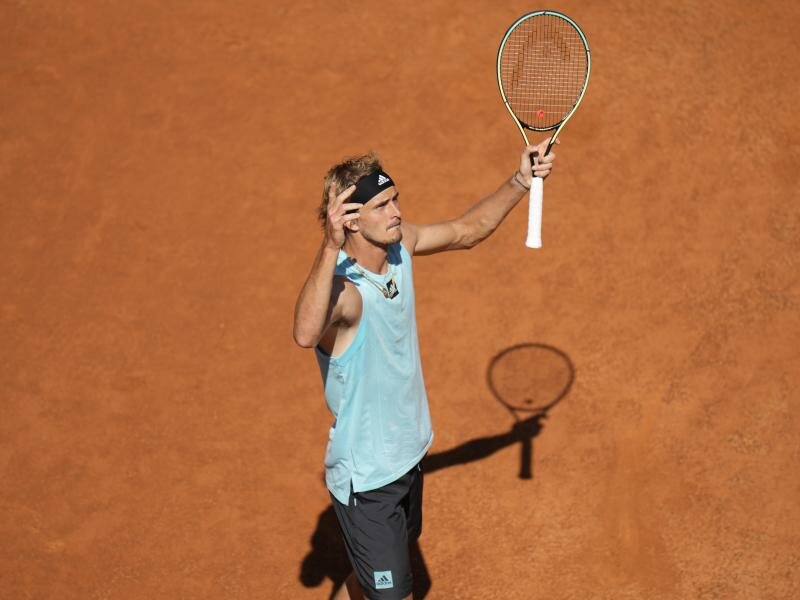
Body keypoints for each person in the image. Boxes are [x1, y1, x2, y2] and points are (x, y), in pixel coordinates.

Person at [293, 139, 557, 600]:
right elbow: (304, 332)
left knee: (375, 577)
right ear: (351, 220)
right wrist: (329, 247)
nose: (396, 211)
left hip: (408, 456)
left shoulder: (400, 248)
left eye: (394, 199)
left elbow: (466, 230)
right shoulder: (347, 295)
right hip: (368, 479)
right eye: (381, 205)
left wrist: (522, 179)